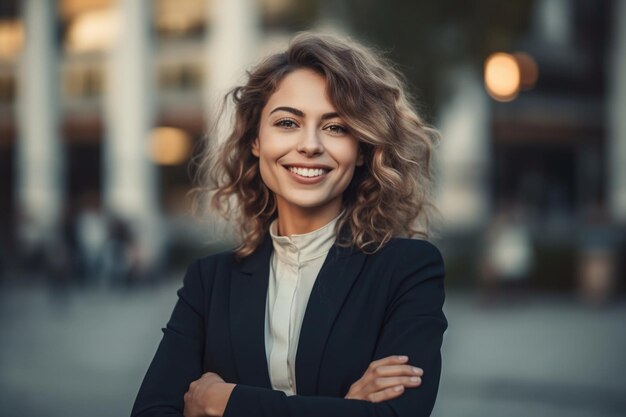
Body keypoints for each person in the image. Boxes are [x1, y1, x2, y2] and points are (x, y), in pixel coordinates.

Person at [131, 32, 447, 417]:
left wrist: (228, 402)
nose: (310, 144)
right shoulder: (208, 283)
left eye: (336, 127)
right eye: (287, 123)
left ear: (363, 149)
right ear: (256, 141)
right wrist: (342, 408)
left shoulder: (408, 270)